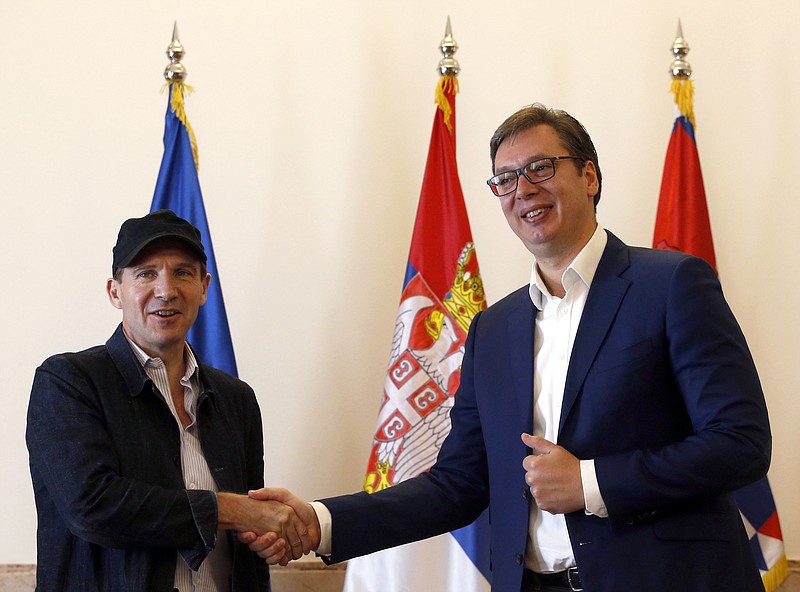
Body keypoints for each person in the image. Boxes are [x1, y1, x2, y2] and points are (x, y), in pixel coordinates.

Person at [243, 104, 772, 591]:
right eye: (505, 178)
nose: (523, 189)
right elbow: (459, 482)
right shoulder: (494, 329)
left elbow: (740, 442)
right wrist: (321, 520)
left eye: (541, 168)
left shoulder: (671, 284)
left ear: (589, 177)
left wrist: (588, 482)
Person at [26, 209, 316, 592]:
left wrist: (266, 535)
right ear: (115, 291)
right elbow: (93, 506)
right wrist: (233, 510)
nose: (166, 289)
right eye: (146, 273)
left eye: (182, 272)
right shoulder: (68, 382)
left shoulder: (237, 399)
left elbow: (249, 533)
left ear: (204, 287)